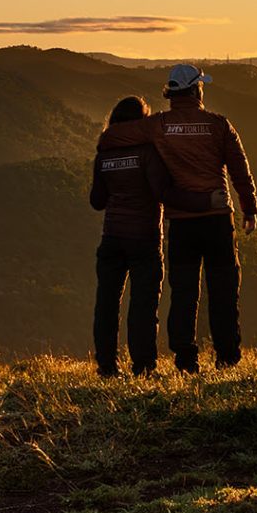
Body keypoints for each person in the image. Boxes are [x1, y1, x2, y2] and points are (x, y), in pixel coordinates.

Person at [149, 62, 257, 372]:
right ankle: (227, 356)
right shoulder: (219, 125)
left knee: (183, 292)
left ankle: (185, 359)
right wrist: (249, 208)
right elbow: (240, 169)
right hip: (216, 219)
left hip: (181, 222)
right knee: (223, 289)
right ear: (198, 89)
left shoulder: (159, 126)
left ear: (171, 92)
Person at [87, 95, 173, 377]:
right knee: (143, 305)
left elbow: (97, 201)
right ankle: (144, 366)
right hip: (144, 238)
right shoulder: (147, 153)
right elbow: (162, 193)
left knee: (107, 304)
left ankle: (107, 367)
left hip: (111, 238)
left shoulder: (104, 155)